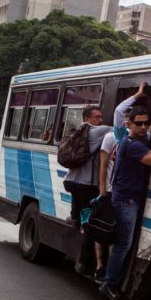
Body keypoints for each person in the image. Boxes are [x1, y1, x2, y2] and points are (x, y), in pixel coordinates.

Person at [99, 106, 151, 300]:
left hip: (129, 198)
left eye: (146, 123)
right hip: (125, 201)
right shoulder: (131, 144)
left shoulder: (140, 140)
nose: (143, 127)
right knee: (123, 244)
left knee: (123, 243)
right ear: (129, 124)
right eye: (138, 123)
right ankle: (110, 284)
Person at [92, 85, 147, 283]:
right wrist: (137, 96)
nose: (142, 126)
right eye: (133, 121)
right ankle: (104, 273)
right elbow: (103, 165)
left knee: (117, 237)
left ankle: (107, 273)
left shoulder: (143, 137)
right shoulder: (120, 137)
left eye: (145, 123)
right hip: (115, 192)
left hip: (119, 192)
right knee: (110, 233)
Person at [63, 105, 112, 278]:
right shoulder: (97, 132)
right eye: (97, 117)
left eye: (101, 117)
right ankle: (84, 264)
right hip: (85, 186)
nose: (100, 120)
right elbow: (120, 130)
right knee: (91, 227)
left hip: (71, 182)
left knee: (81, 218)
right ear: (87, 119)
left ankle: (75, 218)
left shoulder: (77, 132)